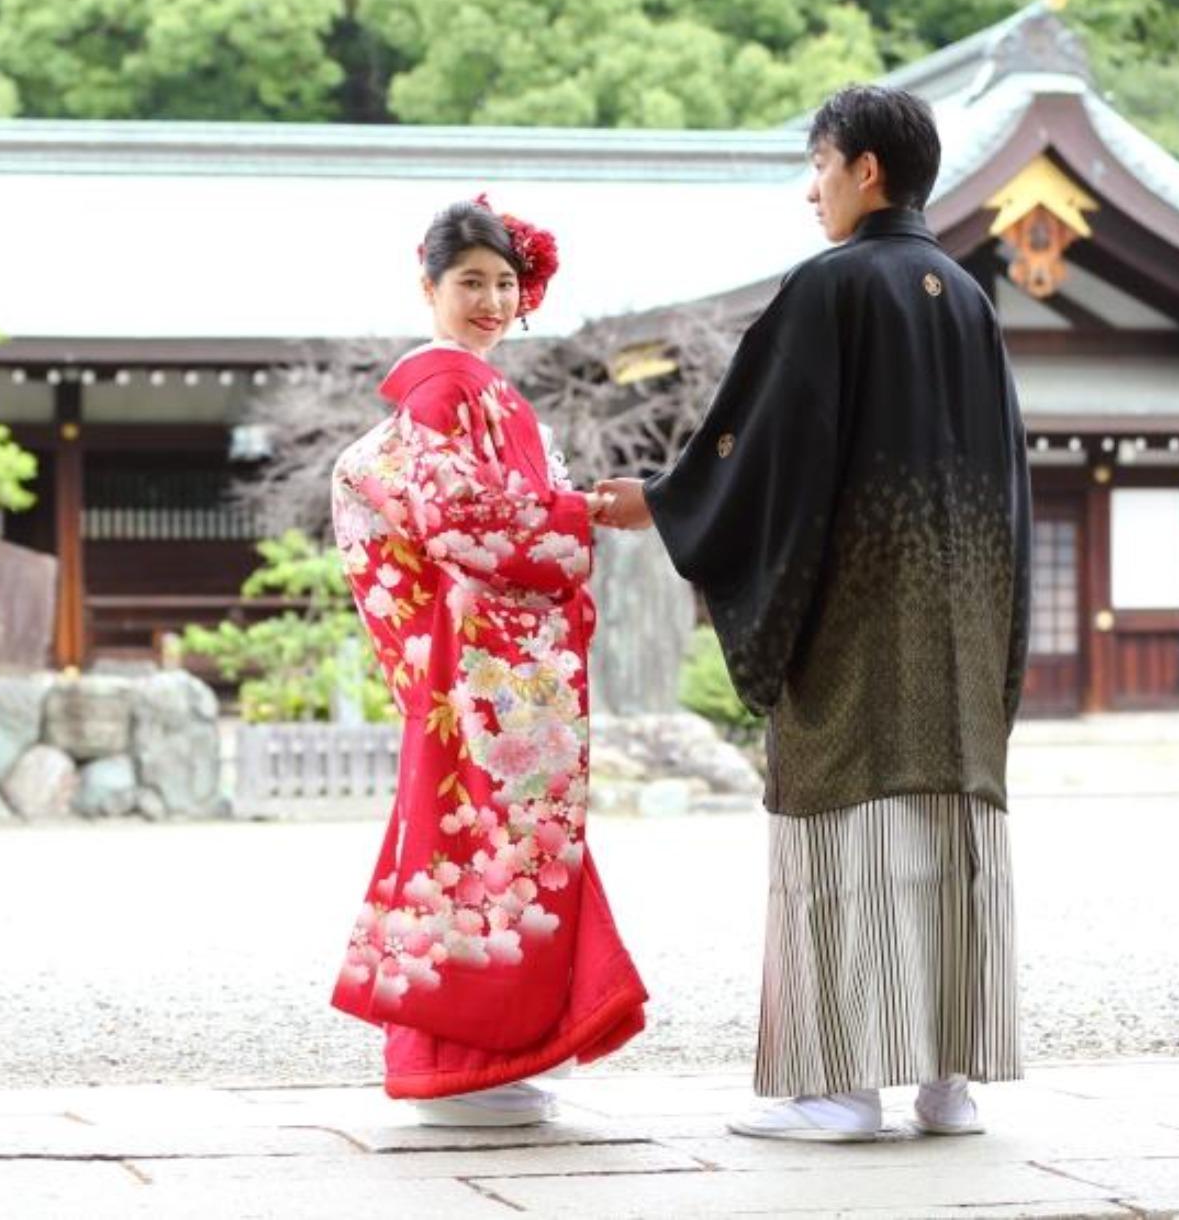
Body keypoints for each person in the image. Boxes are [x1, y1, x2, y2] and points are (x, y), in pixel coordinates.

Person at [597, 85, 1029, 1141]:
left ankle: (838, 1088)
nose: (812, 189)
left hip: (858, 610)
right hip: (964, 614)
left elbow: (767, 452)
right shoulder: (967, 299)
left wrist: (663, 501)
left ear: (866, 170)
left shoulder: (832, 286)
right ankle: (948, 1082)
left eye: (821, 166)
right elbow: (1011, 476)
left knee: (842, 827)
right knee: (944, 826)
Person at [331, 197, 647, 1128]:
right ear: (426, 284)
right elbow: (460, 520)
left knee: (502, 852)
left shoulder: (483, 392)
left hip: (505, 671)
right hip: (483, 675)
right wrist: (581, 515)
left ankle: (491, 1058)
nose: (491, 299)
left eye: (505, 283)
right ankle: (463, 1061)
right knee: (480, 848)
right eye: (469, 281)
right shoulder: (441, 389)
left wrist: (558, 516)